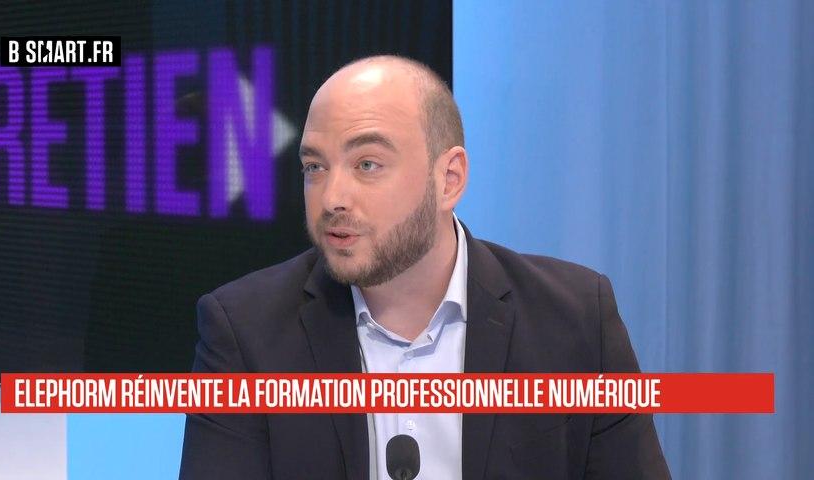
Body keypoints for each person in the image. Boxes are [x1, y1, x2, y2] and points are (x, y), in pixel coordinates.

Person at [179, 55, 671, 480]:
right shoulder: (244, 331)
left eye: (367, 164)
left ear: (449, 179)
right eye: (315, 167)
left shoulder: (575, 319)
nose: (332, 198)